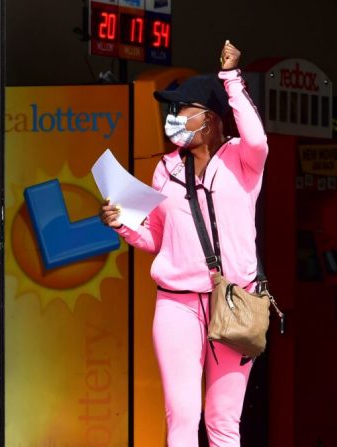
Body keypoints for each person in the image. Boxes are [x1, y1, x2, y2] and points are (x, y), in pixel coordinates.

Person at [100, 41, 267, 447]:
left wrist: (230, 77)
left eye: (180, 109)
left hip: (234, 302)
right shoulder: (165, 168)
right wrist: (122, 224)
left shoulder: (242, 159)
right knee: (182, 416)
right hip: (176, 303)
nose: (171, 117)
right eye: (170, 110)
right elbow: (157, 236)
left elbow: (258, 137)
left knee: (223, 420)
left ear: (208, 119)